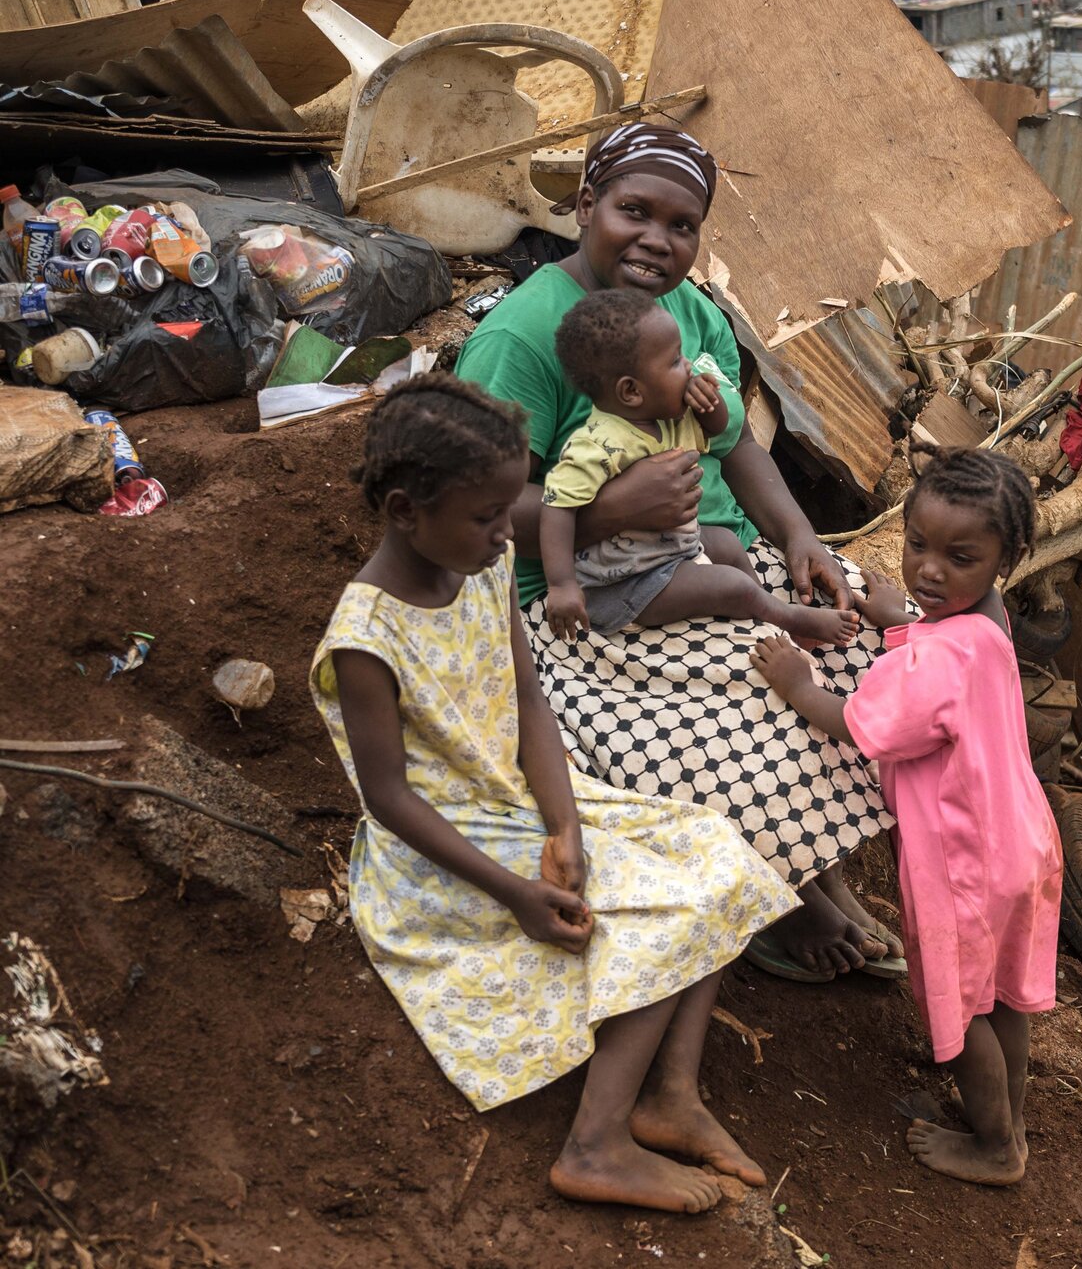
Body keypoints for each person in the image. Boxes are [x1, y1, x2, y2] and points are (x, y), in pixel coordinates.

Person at [310, 375, 796, 1213]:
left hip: (520, 800)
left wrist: (565, 820)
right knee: (669, 910)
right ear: (403, 510)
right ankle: (594, 1144)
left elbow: (527, 696)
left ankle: (669, 1094)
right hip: (443, 846)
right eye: (487, 517)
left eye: (509, 513)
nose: (510, 536)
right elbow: (390, 799)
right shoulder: (365, 637)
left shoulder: (481, 567)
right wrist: (515, 892)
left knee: (716, 850)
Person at [456, 123, 902, 983]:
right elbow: (468, 506)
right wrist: (609, 510)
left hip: (700, 558)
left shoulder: (693, 316)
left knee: (869, 647)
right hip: (583, 600)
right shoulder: (524, 336)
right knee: (736, 722)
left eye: (683, 224)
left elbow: (736, 445)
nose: (657, 241)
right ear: (585, 206)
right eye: (634, 211)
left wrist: (800, 537)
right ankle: (777, 903)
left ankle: (821, 870)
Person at [749, 448, 1063, 1185]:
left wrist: (798, 684)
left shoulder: (934, 661)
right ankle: (1005, 1118)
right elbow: (940, 644)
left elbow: (860, 722)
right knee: (1003, 1000)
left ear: (1005, 560)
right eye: (919, 545)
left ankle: (995, 1148)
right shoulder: (989, 622)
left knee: (962, 1012)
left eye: (959, 557)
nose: (928, 571)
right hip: (1022, 843)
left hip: (961, 864)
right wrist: (900, 616)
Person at [539, 288, 857, 648]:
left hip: (673, 547)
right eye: (675, 362)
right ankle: (786, 620)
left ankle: (763, 612)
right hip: (623, 581)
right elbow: (556, 507)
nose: (688, 365)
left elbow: (722, 431)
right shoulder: (598, 444)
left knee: (725, 544)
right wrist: (562, 584)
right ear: (631, 391)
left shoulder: (667, 420)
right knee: (729, 584)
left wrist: (709, 404)